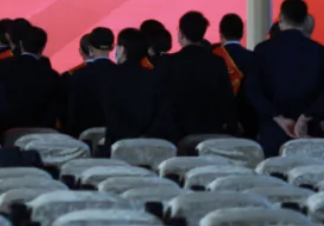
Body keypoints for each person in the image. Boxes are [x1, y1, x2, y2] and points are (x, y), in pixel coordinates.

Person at [246, 0, 324, 156]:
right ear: (305, 20)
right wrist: (306, 116)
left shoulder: (262, 50)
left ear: (281, 17)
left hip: (272, 133)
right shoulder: (320, 52)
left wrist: (277, 117)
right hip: (307, 132)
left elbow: (253, 91)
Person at [153, 11, 238, 142]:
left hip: (175, 135)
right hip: (210, 134)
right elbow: (227, 99)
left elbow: (159, 100)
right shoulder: (217, 62)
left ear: (181, 34)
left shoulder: (167, 63)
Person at [102, 28, 159, 146]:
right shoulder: (155, 77)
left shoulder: (109, 76)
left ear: (123, 50)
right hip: (151, 146)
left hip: (116, 146)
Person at [0, 25, 61, 129]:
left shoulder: (3, 69)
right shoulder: (52, 75)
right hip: (45, 132)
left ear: (21, 44)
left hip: (11, 131)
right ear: (43, 47)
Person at [66, 27, 118, 136]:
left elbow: (73, 112)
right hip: (115, 137)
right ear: (112, 47)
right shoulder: (122, 73)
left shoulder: (79, 75)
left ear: (90, 48)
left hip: (84, 137)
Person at [215, 13, 256, 138]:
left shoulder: (213, 56)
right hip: (248, 120)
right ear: (242, 34)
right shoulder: (253, 57)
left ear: (221, 34)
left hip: (218, 120)